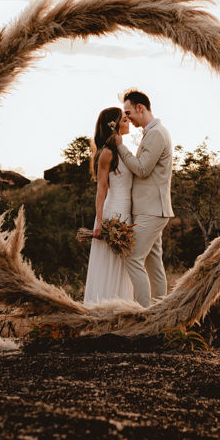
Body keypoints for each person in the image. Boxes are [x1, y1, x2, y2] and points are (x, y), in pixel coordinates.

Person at [113, 89, 174, 307]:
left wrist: (121, 147)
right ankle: (159, 314)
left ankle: (143, 314)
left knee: (132, 258)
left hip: (152, 210)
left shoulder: (157, 133)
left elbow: (142, 169)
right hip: (151, 209)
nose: (126, 118)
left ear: (141, 108)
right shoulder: (152, 132)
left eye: (128, 112)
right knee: (153, 264)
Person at [82, 107, 135, 304]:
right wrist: (99, 223)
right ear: (115, 125)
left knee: (123, 268)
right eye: (124, 119)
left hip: (127, 215)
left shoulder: (124, 150)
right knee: (108, 266)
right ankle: (101, 311)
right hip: (111, 213)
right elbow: (101, 190)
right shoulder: (106, 153)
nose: (128, 121)